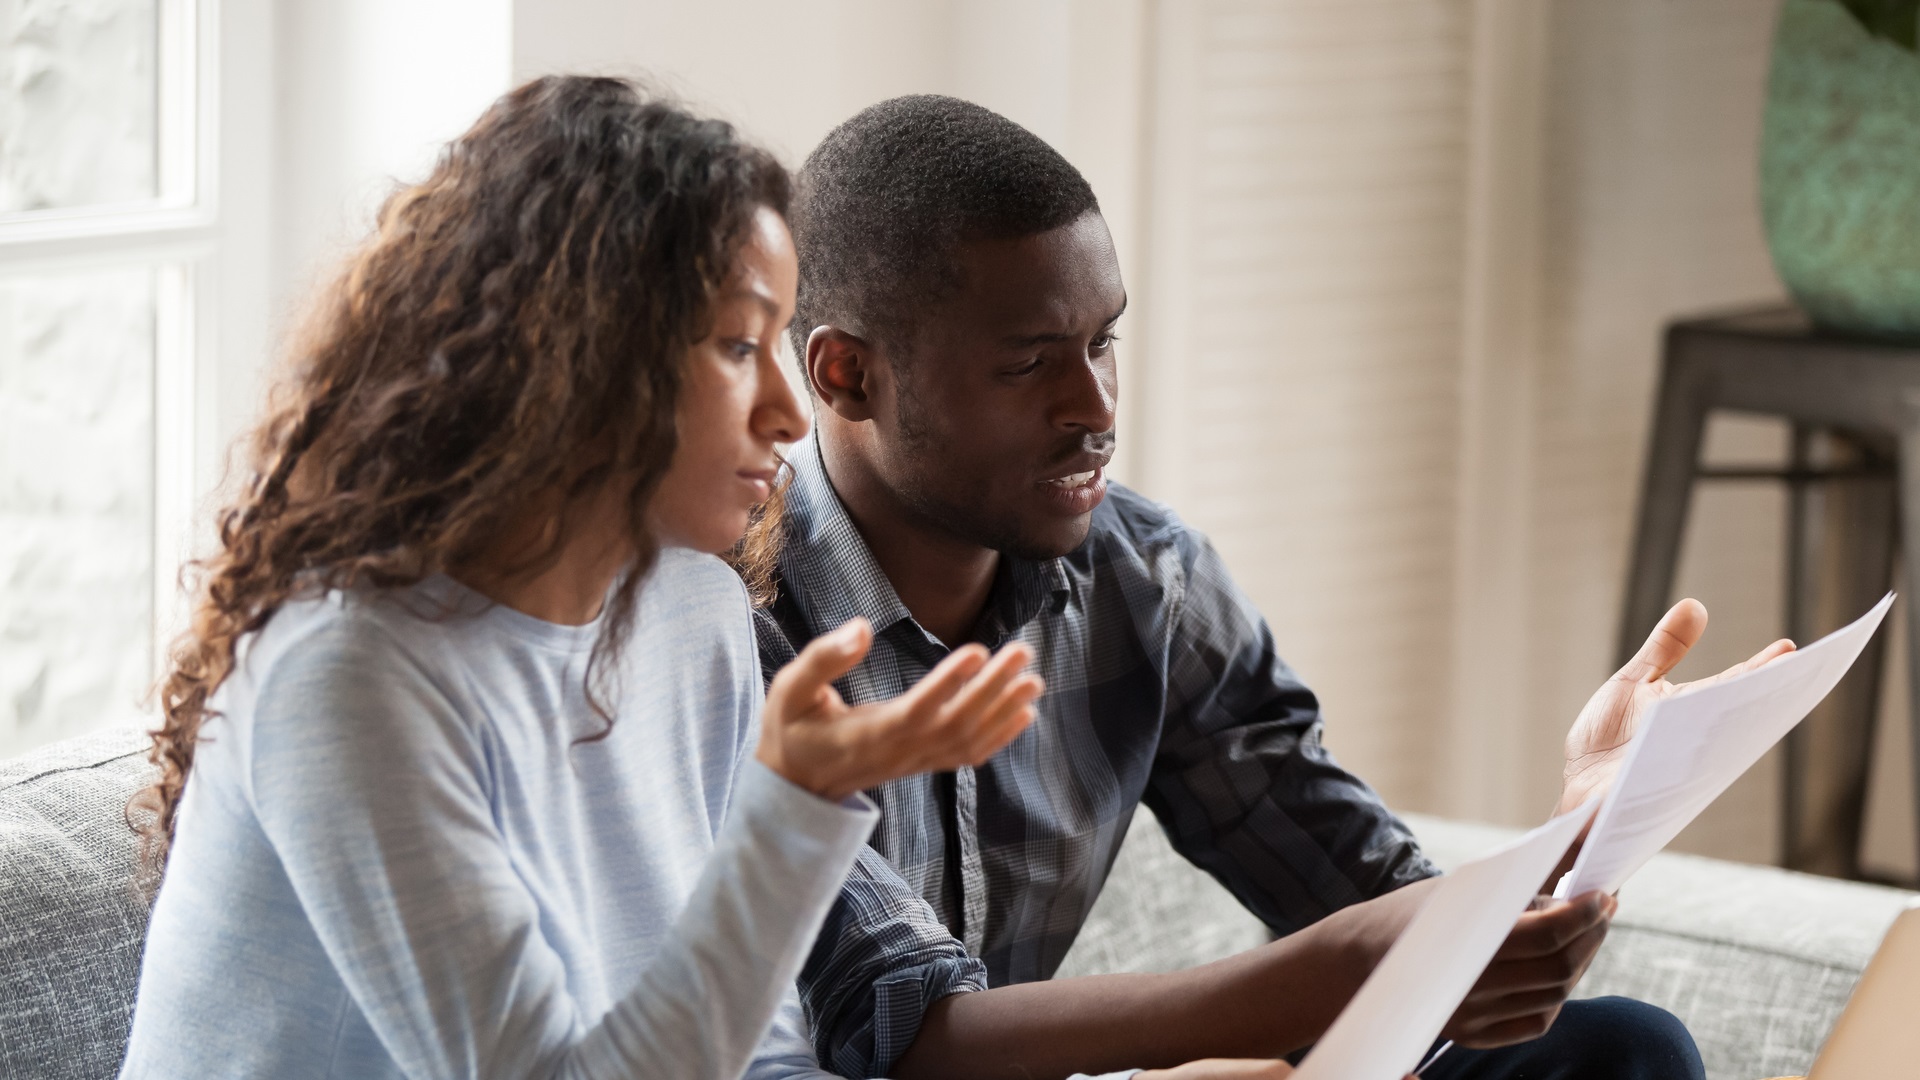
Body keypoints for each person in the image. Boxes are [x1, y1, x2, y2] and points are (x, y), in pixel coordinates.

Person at [752, 95, 1794, 1080]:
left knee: (1617, 1052)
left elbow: (1367, 896)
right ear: (847, 374)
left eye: (1103, 341)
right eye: (1028, 365)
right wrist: (1329, 980)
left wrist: (1585, 822)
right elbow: (899, 1035)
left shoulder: (1143, 575)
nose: (1097, 405)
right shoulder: (731, 624)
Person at [115, 77, 1049, 1080]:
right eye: (739, 344)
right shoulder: (348, 676)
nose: (787, 410)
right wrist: (795, 807)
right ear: (581, 350)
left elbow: (747, 1055)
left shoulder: (692, 608)